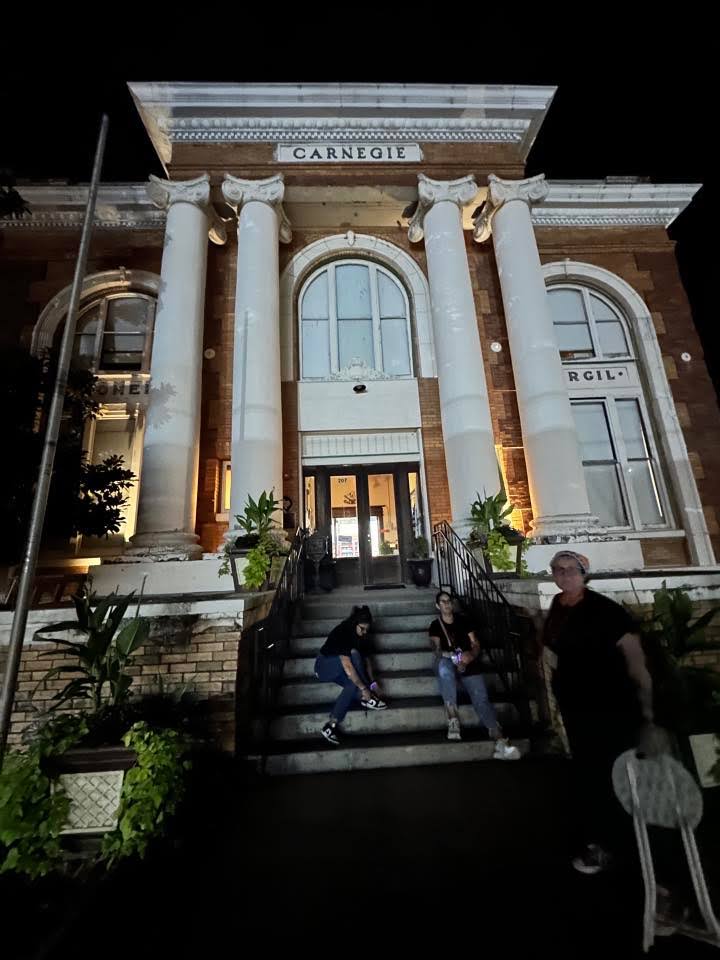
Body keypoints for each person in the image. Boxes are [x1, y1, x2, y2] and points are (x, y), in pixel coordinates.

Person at [542, 550, 658, 874]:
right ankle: (601, 842)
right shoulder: (557, 606)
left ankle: (635, 853)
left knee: (615, 775)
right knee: (589, 776)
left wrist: (648, 711)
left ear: (584, 574)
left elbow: (636, 661)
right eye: (558, 570)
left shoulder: (606, 611)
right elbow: (552, 649)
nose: (564, 575)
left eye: (571, 570)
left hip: (611, 707)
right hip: (576, 710)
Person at [429, 590, 520, 760]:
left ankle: (499, 739)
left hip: (467, 662)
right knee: (444, 669)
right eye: (443, 601)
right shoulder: (435, 625)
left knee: (481, 698)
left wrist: (470, 656)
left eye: (449, 600)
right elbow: (436, 649)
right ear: (437, 605)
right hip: (448, 661)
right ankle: (453, 718)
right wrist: (452, 657)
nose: (447, 604)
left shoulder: (464, 621)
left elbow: (475, 643)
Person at [314, 605, 387, 745]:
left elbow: (367, 661)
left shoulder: (363, 636)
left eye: (367, 629)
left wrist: (372, 683)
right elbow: (348, 666)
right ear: (355, 624)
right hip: (324, 666)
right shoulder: (343, 631)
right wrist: (365, 689)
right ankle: (368, 698)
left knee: (352, 684)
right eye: (362, 629)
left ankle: (330, 726)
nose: (365, 632)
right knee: (354, 655)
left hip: (342, 669)